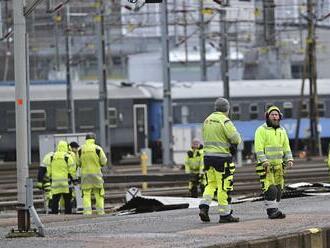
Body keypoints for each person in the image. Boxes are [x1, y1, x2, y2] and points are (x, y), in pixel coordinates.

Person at [199, 97, 242, 223]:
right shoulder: (225, 121)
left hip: (207, 158)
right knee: (224, 186)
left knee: (210, 184)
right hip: (222, 159)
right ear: (227, 109)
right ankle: (225, 215)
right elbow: (236, 139)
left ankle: (204, 207)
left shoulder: (207, 120)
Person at [254, 105, 294, 219]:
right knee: (270, 189)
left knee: (279, 189)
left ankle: (275, 210)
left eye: (276, 115)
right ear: (268, 116)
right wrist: (264, 161)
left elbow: (286, 147)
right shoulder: (261, 130)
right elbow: (259, 148)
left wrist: (289, 159)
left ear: (279, 117)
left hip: (279, 166)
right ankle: (272, 212)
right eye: (272, 115)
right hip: (265, 166)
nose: (275, 117)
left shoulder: (282, 131)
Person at [77, 133, 108, 215]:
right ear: (94, 139)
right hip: (96, 175)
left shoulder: (80, 149)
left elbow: (78, 163)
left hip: (85, 176)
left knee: (86, 194)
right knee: (99, 194)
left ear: (86, 139)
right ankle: (100, 212)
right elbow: (104, 161)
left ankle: (87, 212)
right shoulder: (98, 149)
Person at [45, 140, 75, 214]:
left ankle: (54, 215)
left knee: (55, 200)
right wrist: (74, 179)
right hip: (65, 183)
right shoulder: (67, 157)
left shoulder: (52, 157)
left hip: (55, 183)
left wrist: (47, 178)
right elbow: (72, 170)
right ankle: (68, 215)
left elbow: (48, 170)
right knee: (67, 200)